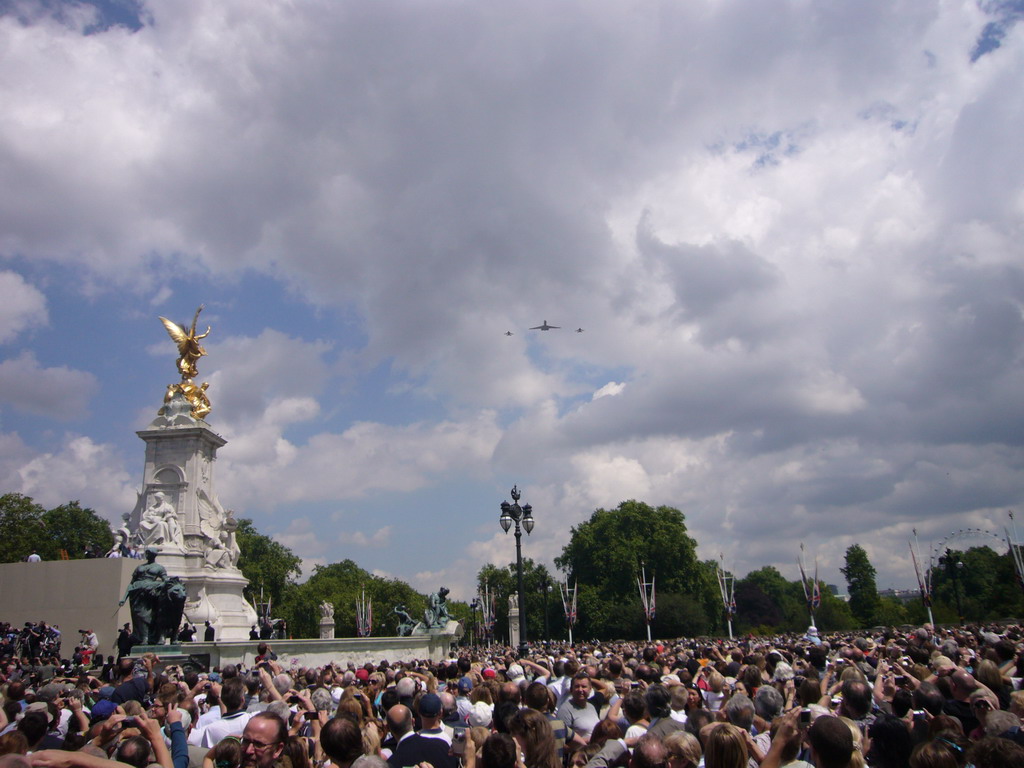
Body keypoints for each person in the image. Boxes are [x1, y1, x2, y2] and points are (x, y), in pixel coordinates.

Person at [119, 549, 169, 645]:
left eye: (148, 553)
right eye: (146, 553)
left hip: (149, 594)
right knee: (138, 616)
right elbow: (131, 584)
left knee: (147, 615)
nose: (146, 555)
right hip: (136, 594)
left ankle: (147, 638)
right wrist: (123, 598)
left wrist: (155, 586)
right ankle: (142, 637)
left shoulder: (159, 568)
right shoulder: (139, 567)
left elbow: (165, 581)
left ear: (153, 555)